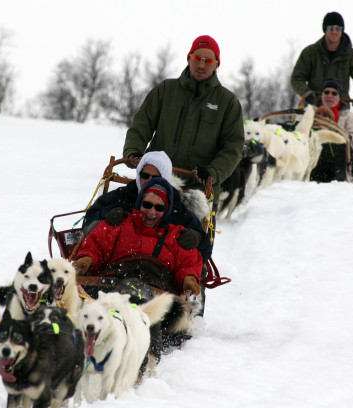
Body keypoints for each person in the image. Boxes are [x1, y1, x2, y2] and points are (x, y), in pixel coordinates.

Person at [122, 35, 244, 210]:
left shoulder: (227, 102)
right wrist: (133, 151)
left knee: (192, 238)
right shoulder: (165, 90)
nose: (201, 65)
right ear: (188, 58)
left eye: (208, 61)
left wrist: (212, 172)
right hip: (155, 185)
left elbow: (233, 147)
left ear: (217, 65)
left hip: (199, 194)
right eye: (197, 58)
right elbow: (141, 125)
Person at [73, 178, 203, 297]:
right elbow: (96, 246)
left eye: (159, 207)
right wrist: (87, 259)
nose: (151, 212)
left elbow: (188, 263)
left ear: (166, 211)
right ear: (139, 203)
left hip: (157, 294)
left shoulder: (176, 235)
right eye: (147, 205)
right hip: (113, 285)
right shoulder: (120, 223)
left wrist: (188, 279)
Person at [82, 151, 213, 262]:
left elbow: (204, 251)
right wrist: (106, 214)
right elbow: (88, 222)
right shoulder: (123, 196)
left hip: (160, 271)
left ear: (166, 178)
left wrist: (198, 238)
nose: (149, 181)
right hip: (116, 262)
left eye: (156, 177)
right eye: (145, 175)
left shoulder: (177, 207)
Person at [291, 11, 353, 107]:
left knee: (349, 121)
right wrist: (305, 92)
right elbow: (297, 77)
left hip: (340, 108)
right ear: (325, 29)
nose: (334, 31)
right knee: (301, 121)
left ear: (342, 30)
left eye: (338, 28)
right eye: (331, 28)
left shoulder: (351, 56)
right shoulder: (310, 53)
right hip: (314, 106)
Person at [318, 78, 353, 153]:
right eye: (326, 92)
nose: (329, 96)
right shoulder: (310, 111)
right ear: (322, 95)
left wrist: (340, 135)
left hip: (337, 154)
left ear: (339, 97)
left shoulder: (348, 117)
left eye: (334, 93)